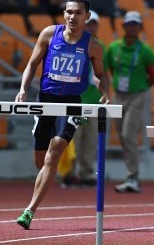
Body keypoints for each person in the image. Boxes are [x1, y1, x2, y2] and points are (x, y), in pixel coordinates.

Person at [15, 0, 109, 230]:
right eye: (69, 12)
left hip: (72, 103)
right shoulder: (49, 34)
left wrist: (105, 91)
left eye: (78, 13)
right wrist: (23, 89)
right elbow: (32, 63)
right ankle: (47, 174)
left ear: (87, 17)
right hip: (46, 100)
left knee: (54, 152)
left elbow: (100, 75)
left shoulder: (93, 45)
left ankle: (29, 211)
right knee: (41, 160)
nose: (72, 17)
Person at [105, 11, 154, 193]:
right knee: (121, 135)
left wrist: (141, 87)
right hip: (118, 95)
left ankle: (133, 176)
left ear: (140, 28)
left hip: (137, 96)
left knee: (128, 134)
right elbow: (107, 69)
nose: (132, 27)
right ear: (123, 26)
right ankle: (131, 176)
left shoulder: (145, 51)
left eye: (135, 24)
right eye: (129, 24)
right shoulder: (113, 48)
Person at [61, 10, 106, 187]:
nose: (91, 27)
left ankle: (87, 173)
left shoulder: (100, 47)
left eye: (94, 24)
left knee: (90, 140)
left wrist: (107, 95)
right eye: (89, 23)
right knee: (72, 138)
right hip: (76, 100)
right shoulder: (73, 44)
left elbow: (104, 74)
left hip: (94, 101)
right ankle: (69, 174)